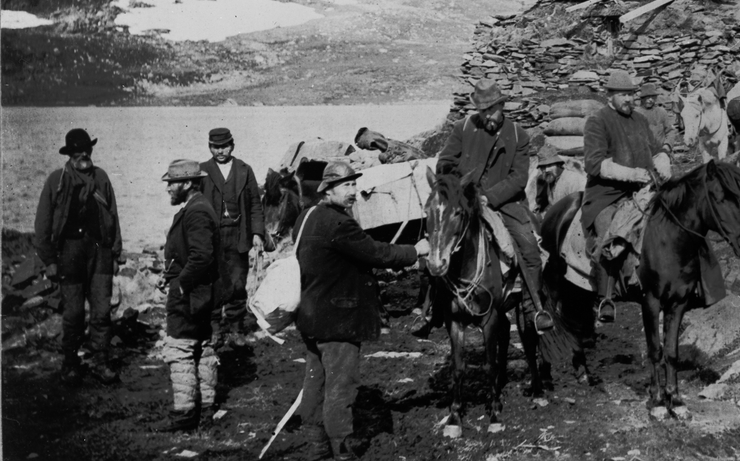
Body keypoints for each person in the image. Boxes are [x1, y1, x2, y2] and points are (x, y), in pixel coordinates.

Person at [295, 161, 428, 461]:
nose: (353, 191)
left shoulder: (307, 217)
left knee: (315, 382)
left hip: (311, 315)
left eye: (354, 184)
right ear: (327, 191)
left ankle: (317, 448)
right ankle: (342, 451)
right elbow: (376, 253)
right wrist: (416, 250)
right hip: (339, 319)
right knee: (341, 388)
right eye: (346, 186)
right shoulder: (339, 223)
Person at [437, 79, 554, 332]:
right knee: (438, 240)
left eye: (491, 109)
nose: (486, 115)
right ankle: (431, 309)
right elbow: (444, 163)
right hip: (465, 201)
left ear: (502, 105)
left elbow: (518, 177)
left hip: (505, 203)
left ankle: (533, 308)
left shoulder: (518, 135)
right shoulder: (463, 128)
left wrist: (488, 198)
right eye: (482, 110)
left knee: (529, 247)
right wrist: (461, 189)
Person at [33, 128, 123, 383]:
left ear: (91, 150)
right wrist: (50, 260)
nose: (83, 154)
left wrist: (115, 254)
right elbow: (43, 223)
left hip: (100, 253)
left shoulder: (101, 177)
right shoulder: (56, 181)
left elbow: (113, 215)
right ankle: (70, 363)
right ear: (69, 154)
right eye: (77, 151)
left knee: (102, 311)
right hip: (69, 254)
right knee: (73, 313)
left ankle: (101, 361)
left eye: (86, 149)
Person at [581, 70, 670, 322]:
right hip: (607, 194)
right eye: (623, 95)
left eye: (631, 94)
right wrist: (631, 174)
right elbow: (594, 164)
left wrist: (663, 158)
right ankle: (605, 298)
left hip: (644, 190)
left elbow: (656, 148)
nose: (629, 99)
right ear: (609, 96)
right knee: (609, 235)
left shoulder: (640, 120)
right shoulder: (597, 121)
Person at [156, 159, 220, 432]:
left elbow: (201, 256)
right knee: (202, 348)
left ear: (188, 183)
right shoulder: (199, 207)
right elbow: (190, 253)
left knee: (180, 349)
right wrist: (169, 274)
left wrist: (180, 284)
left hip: (190, 293)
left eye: (172, 183)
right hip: (201, 292)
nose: (168, 188)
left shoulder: (196, 212)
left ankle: (184, 415)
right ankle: (206, 410)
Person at [200, 127, 267, 348]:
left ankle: (236, 328)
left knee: (238, 283)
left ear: (232, 146)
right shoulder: (202, 171)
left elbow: (255, 204)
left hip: (238, 235)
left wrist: (257, 233)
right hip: (212, 238)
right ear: (209, 147)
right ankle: (215, 329)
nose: (220, 151)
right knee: (213, 283)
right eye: (216, 147)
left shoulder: (244, 170)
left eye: (224, 146)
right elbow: (194, 206)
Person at [637, 82, 679, 157]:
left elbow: (670, 131)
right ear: (642, 98)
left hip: (661, 152)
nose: (650, 100)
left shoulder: (661, 112)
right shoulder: (635, 114)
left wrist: (667, 145)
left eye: (653, 97)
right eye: (647, 97)